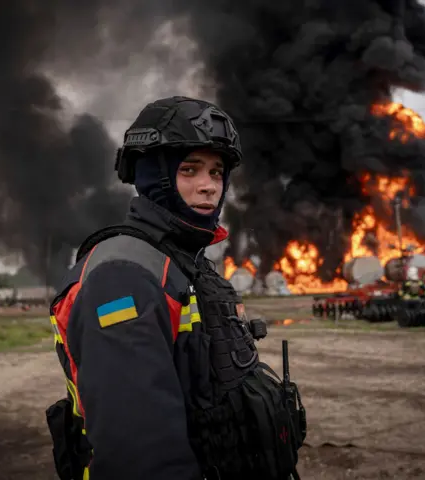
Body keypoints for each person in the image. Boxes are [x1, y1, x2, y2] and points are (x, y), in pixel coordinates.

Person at [45, 96, 306, 480]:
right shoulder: (123, 274)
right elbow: (141, 456)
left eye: (217, 173)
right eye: (189, 170)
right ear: (154, 176)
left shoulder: (186, 263)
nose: (208, 187)